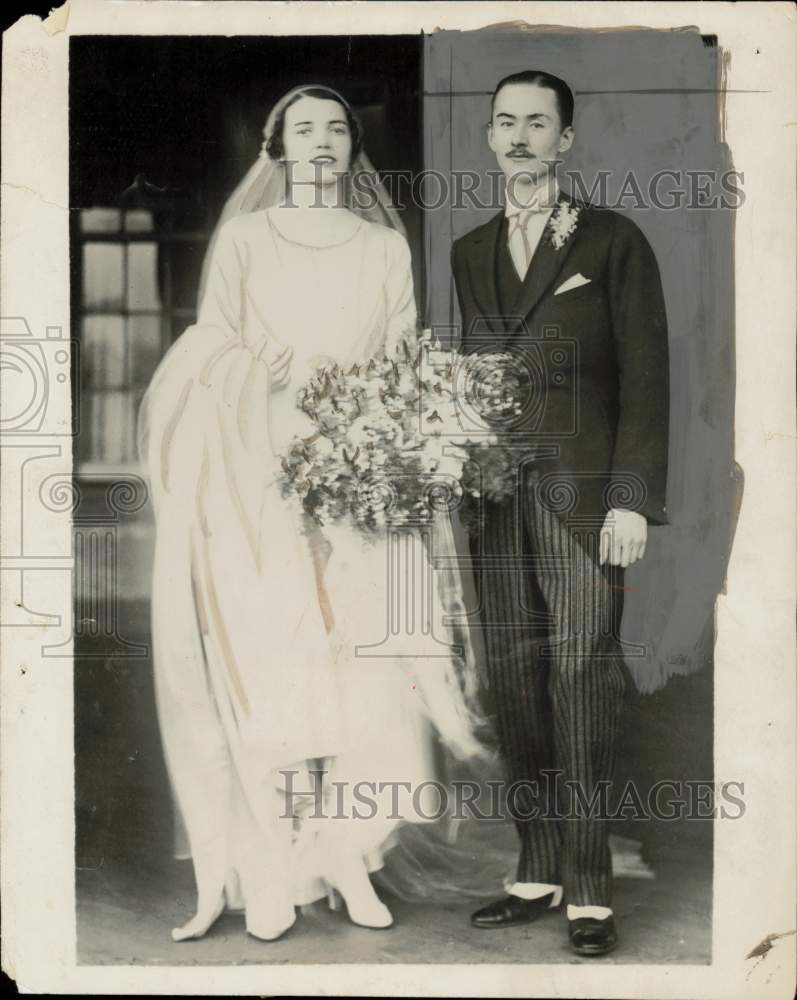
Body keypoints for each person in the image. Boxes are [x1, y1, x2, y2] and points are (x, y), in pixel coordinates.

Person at [138, 85, 483, 944]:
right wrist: (253, 361)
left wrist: (382, 439)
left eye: (336, 129)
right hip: (255, 470)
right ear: (279, 147)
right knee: (269, 667)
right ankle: (270, 871)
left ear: (353, 148)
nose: (321, 141)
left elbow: (403, 355)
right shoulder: (245, 239)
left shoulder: (381, 248)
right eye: (304, 129)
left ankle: (344, 859)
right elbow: (207, 344)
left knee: (360, 670)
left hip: (355, 474)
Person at [451, 70, 669, 956]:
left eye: (537, 123)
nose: (519, 137)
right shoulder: (469, 250)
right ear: (489, 137)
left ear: (565, 140)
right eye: (505, 122)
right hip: (493, 497)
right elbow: (472, 378)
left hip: (582, 500)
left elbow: (648, 379)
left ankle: (588, 892)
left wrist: (631, 501)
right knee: (512, 677)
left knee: (579, 679)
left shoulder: (612, 239)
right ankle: (535, 869)